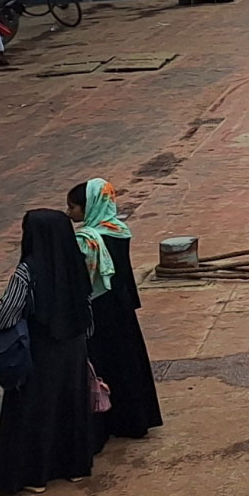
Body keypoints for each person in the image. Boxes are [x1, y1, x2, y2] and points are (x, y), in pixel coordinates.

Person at [0, 209, 95, 496]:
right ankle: (74, 467)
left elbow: (7, 313)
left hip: (41, 350)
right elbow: (87, 304)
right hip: (74, 347)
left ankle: (36, 475)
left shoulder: (28, 269)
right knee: (71, 403)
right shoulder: (76, 262)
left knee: (34, 410)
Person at [69, 178, 160, 440]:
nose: (69, 213)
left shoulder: (88, 240)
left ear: (89, 207)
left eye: (73, 207)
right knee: (129, 361)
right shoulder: (119, 229)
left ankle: (112, 421)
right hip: (123, 307)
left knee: (105, 365)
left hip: (101, 309)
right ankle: (137, 418)